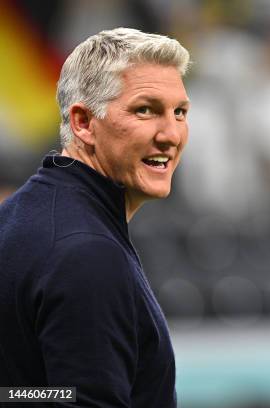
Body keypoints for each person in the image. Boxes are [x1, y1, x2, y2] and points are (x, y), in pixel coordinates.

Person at [0, 28, 190, 407]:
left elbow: (31, 392)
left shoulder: (17, 218)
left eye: (180, 112)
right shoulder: (86, 254)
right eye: (145, 109)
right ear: (83, 123)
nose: (171, 134)